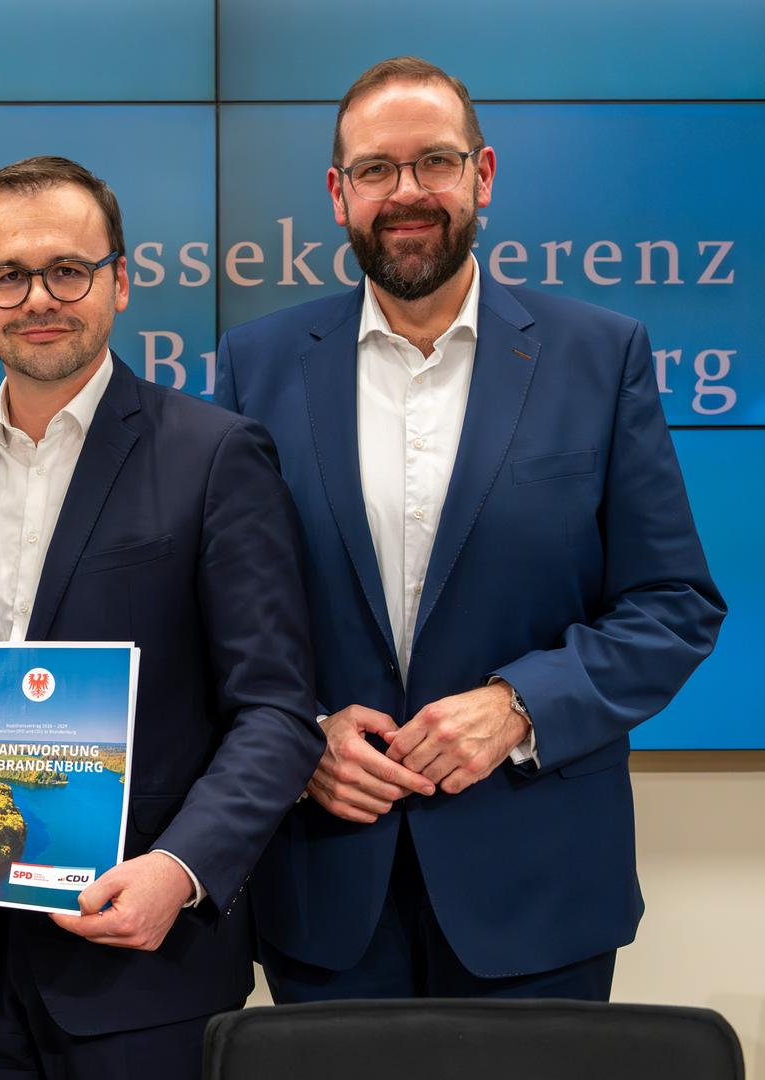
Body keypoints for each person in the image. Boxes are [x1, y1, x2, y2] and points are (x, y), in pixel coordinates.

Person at [214, 56, 726, 1002]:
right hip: (326, 883)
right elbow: (224, 612)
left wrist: (520, 706)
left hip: (540, 886)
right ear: (338, 193)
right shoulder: (258, 364)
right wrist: (303, 734)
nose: (406, 192)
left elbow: (674, 606)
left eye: (435, 162)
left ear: (482, 176)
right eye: (376, 169)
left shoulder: (600, 355)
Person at [0, 155, 321, 1078]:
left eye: (68, 270)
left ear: (119, 281)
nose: (39, 298)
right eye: (9, 275)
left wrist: (182, 871)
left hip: (148, 965)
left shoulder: (215, 455)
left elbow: (277, 712)